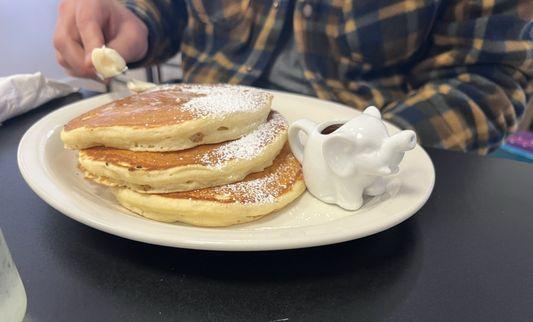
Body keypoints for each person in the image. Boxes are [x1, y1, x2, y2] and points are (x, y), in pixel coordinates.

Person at [53, 0, 533, 153]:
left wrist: (373, 148)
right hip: (196, 131)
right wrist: (137, 21)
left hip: (372, 163)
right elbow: (176, 10)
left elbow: (490, 79)